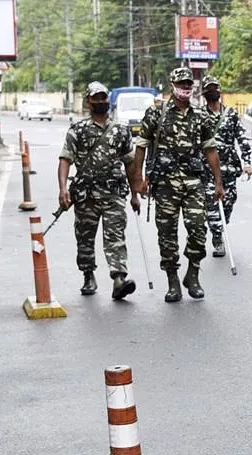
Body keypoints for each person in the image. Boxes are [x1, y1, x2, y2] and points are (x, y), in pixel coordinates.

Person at [132, 67, 224, 303]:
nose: (185, 87)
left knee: (197, 229)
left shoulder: (200, 116)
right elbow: (141, 146)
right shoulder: (156, 114)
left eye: (188, 84)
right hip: (164, 184)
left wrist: (218, 182)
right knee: (167, 235)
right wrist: (139, 180)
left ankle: (192, 275)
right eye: (181, 83)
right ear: (172, 85)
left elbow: (210, 149)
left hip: (193, 182)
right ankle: (173, 281)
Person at [57, 81, 140, 300]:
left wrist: (135, 194)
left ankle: (119, 279)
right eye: (96, 98)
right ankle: (88, 275)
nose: (101, 102)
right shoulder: (78, 130)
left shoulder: (121, 130)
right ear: (88, 101)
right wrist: (63, 188)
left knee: (116, 237)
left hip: (113, 194)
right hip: (86, 196)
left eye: (104, 98)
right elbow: (65, 159)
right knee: (85, 238)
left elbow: (130, 163)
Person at [199, 75, 252, 257]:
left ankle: (220, 226)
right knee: (212, 207)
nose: (213, 91)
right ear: (204, 93)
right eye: (209, 89)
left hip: (229, 168)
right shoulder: (199, 116)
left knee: (229, 203)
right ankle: (217, 237)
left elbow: (242, 139)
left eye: (215, 88)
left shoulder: (230, 114)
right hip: (207, 170)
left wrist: (247, 162)